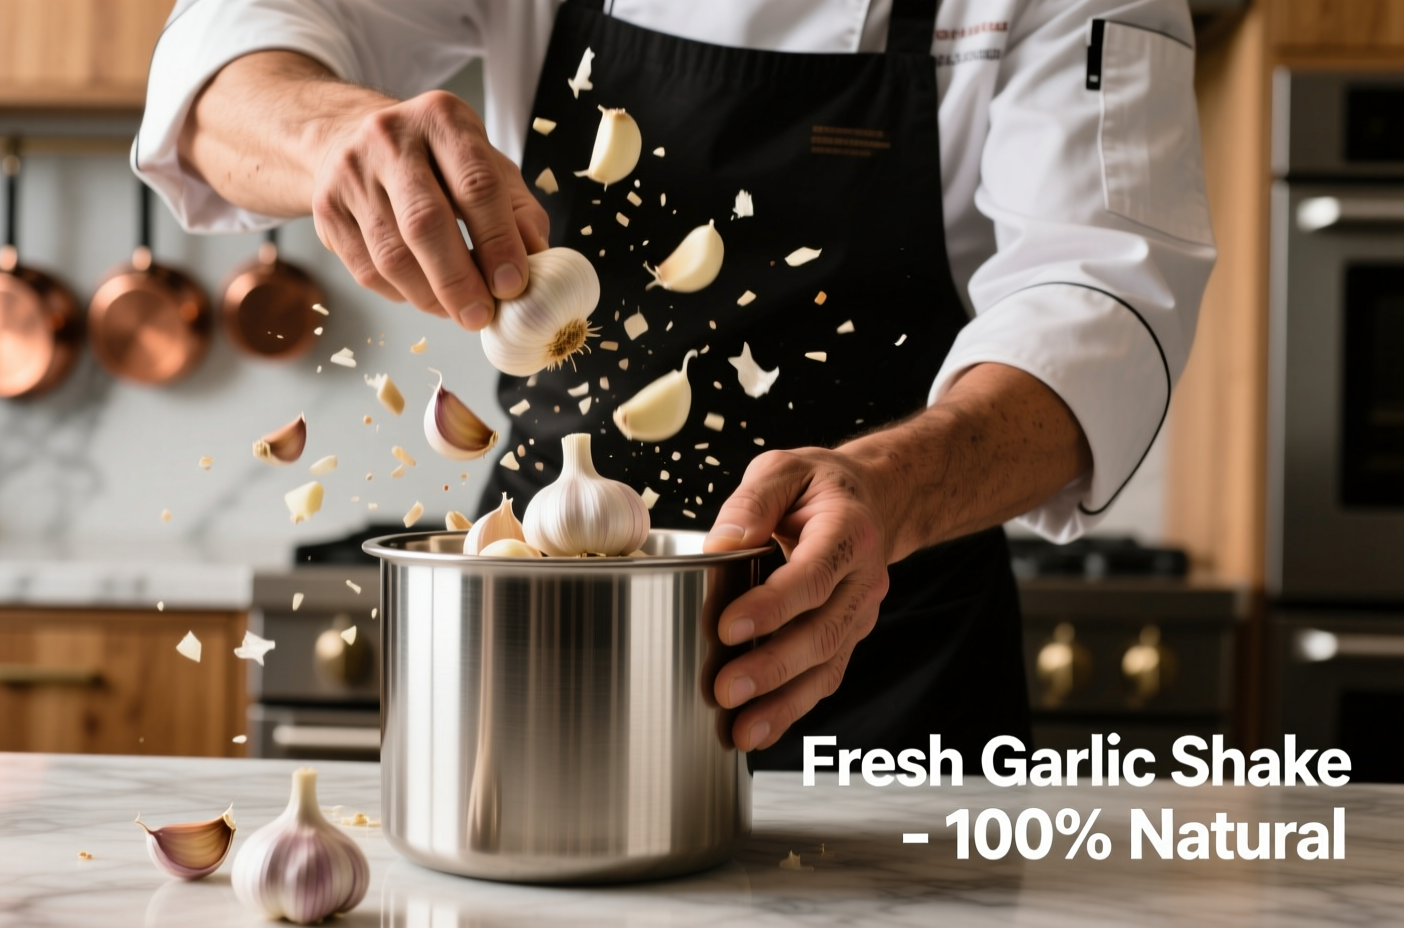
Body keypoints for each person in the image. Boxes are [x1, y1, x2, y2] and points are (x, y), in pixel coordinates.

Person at [135, 0, 1214, 768]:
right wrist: (328, 138)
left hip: (889, 642)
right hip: (538, 620)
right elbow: (223, 54)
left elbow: (1101, 306)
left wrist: (885, 490)